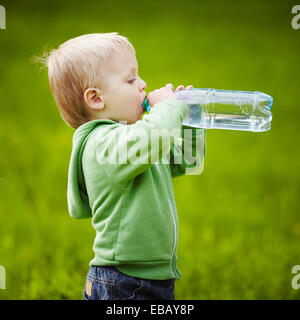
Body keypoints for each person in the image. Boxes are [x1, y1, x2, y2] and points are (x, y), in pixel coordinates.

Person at [43, 32, 206, 300]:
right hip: (123, 281)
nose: (142, 84)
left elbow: (187, 160)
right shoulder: (103, 144)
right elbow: (154, 137)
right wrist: (168, 111)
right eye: (130, 79)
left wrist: (189, 120)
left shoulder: (132, 142)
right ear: (96, 99)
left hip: (151, 276)